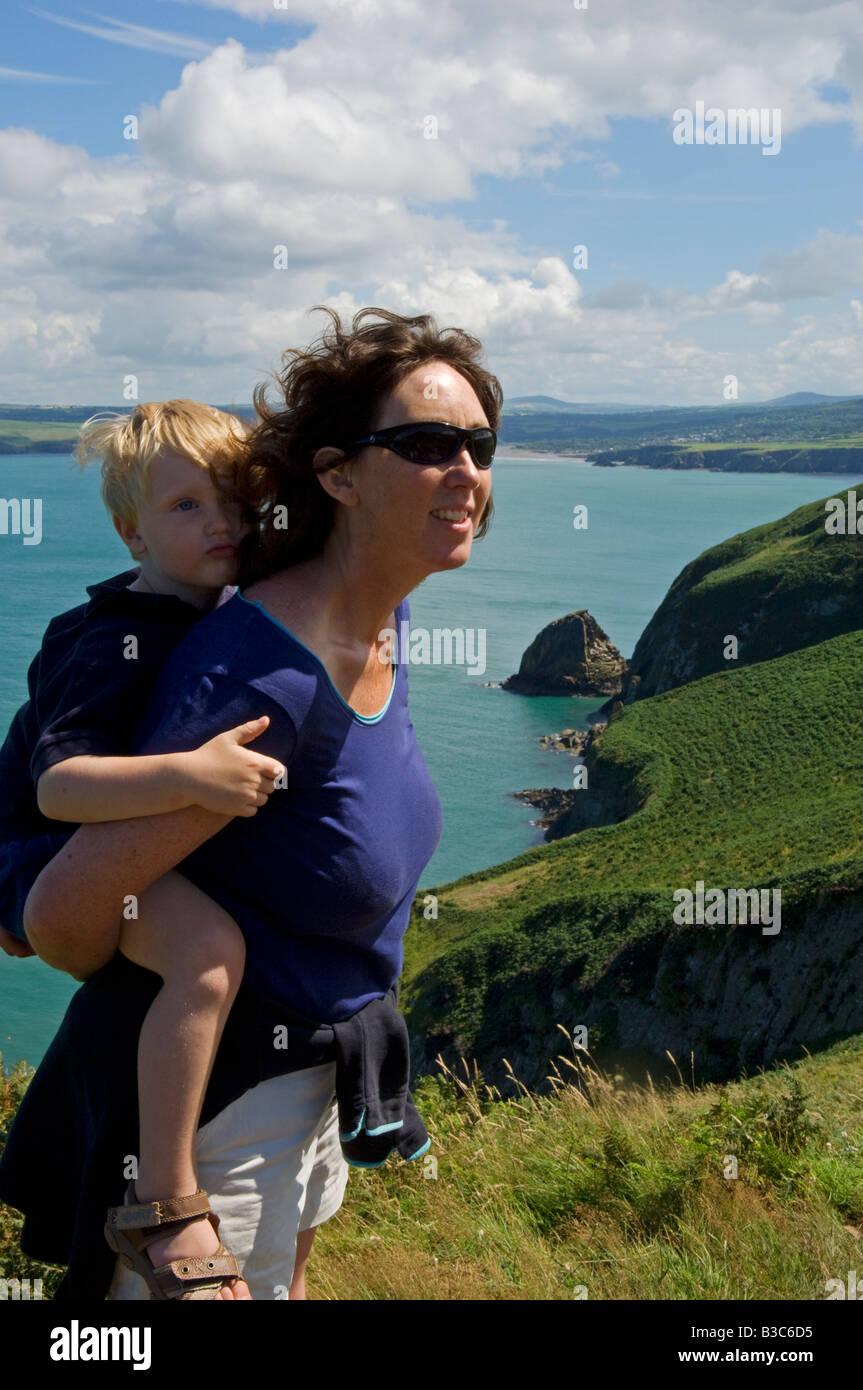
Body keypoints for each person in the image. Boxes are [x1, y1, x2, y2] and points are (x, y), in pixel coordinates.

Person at [0, 304, 501, 1301]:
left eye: (478, 444)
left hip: (309, 1085)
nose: (465, 469)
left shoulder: (377, 610)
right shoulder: (262, 679)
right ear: (339, 475)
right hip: (218, 1117)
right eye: (423, 443)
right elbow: (62, 918)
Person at [0, 400, 286, 1298]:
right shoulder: (110, 642)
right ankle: (165, 1201)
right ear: (130, 535)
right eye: (186, 508)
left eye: (237, 501)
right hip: (38, 858)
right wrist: (193, 779)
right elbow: (61, 786)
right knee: (206, 956)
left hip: (80, 855)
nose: (223, 524)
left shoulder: (209, 610)